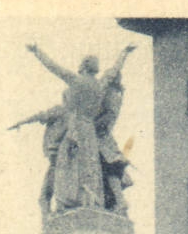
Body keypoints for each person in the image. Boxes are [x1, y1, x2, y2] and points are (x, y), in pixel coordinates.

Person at [12, 43, 137, 218]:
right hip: (89, 132)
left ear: (83, 66)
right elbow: (114, 71)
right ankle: (90, 201)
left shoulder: (77, 81)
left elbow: (54, 67)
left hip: (75, 129)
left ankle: (66, 203)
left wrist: (37, 52)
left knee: (67, 166)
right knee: (90, 167)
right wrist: (124, 53)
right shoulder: (100, 84)